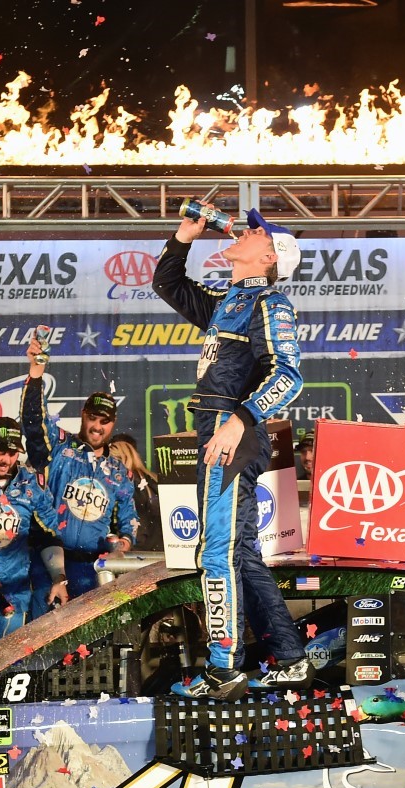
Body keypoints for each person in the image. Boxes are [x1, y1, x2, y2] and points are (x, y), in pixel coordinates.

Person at [151, 203, 309, 699]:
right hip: (219, 425)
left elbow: (289, 375)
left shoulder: (271, 303)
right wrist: (183, 237)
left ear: (268, 256)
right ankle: (291, 657)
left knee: (214, 552)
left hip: (228, 428)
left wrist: (237, 422)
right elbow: (169, 286)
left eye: (257, 231)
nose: (244, 231)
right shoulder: (231, 301)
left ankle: (224, 668)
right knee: (240, 551)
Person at [21, 338, 138, 598]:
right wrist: (37, 370)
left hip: (94, 570)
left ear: (113, 423)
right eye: (92, 418)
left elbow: (129, 520)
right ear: (82, 414)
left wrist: (125, 542)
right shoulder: (58, 446)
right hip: (49, 563)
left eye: (104, 421)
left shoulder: (120, 473)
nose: (97, 426)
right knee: (45, 637)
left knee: (94, 640)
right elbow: (33, 420)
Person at [0, 417, 69, 641]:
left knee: (5, 670)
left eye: (13, 453)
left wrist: (59, 578)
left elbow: (48, 535)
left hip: (11, 598)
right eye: (0, 451)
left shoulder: (30, 483)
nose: (7, 459)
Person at [108, 434, 162, 552]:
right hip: (161, 554)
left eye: (110, 462)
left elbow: (138, 529)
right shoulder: (154, 480)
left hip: (139, 558)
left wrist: (127, 548)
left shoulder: (130, 485)